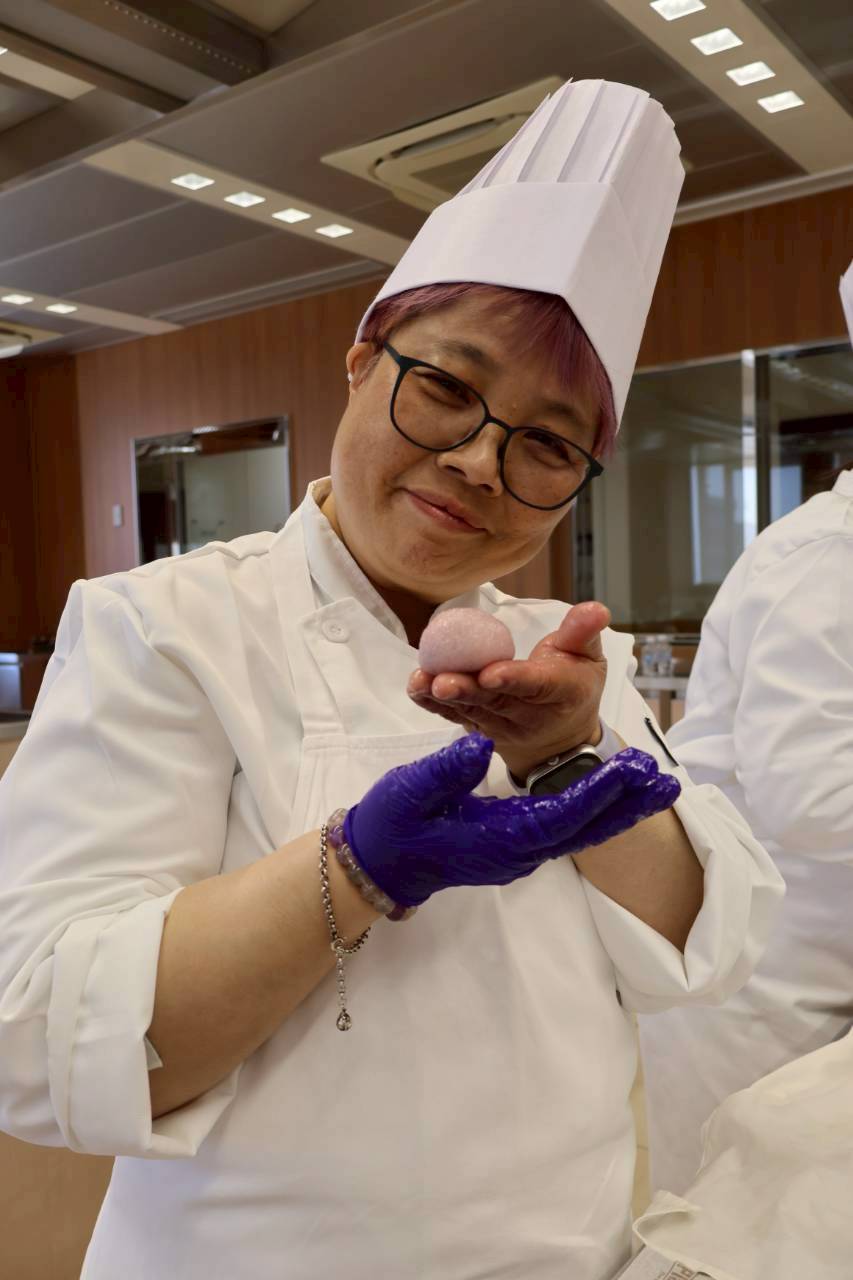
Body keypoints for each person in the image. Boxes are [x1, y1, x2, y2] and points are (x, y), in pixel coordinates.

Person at [0, 81, 782, 1280]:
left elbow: (708, 946)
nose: (478, 462)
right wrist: (355, 867)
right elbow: (39, 1037)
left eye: (545, 442)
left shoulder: (569, 655)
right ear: (364, 358)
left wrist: (568, 752)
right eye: (448, 389)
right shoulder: (163, 627)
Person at [639, 261, 853, 1197]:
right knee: (729, 1220)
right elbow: (814, 799)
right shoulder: (826, 558)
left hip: (822, 979)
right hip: (764, 987)